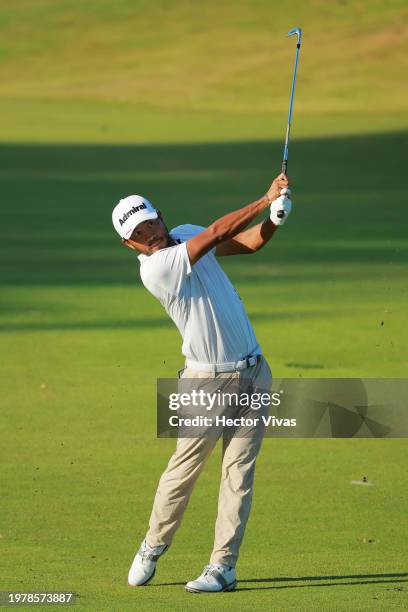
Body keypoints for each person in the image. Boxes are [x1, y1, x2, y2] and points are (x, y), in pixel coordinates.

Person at [111, 172, 292, 593]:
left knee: (238, 475)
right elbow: (216, 231)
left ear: (160, 216)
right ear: (129, 245)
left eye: (150, 223)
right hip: (205, 382)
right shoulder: (156, 269)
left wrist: (274, 221)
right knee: (183, 472)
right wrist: (264, 199)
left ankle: (222, 568)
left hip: (253, 373)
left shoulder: (187, 235)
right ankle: (153, 546)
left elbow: (247, 242)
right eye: (138, 233)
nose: (149, 234)